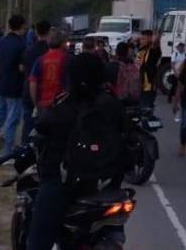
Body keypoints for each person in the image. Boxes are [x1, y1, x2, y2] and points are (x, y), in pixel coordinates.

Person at [27, 52, 131, 250]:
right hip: (105, 186)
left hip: (65, 186)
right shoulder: (113, 104)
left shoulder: (64, 106)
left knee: (38, 241)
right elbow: (128, 134)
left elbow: (41, 128)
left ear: (71, 76)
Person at [0, 14, 27, 158]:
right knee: (12, 120)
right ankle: (6, 152)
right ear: (22, 26)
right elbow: (22, 67)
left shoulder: (1, 41)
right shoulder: (22, 45)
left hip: (1, 85)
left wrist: (3, 68)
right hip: (15, 87)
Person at [19, 20, 52, 144]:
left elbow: (21, 68)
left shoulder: (29, 50)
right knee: (45, 127)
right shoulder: (50, 52)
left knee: (27, 124)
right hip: (46, 94)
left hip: (28, 92)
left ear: (36, 32)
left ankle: (24, 151)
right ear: (49, 32)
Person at [29, 30, 71, 112]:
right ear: (62, 43)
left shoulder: (40, 60)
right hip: (62, 103)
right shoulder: (67, 59)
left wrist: (35, 104)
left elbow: (33, 83)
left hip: (44, 103)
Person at [135, 29, 161, 114]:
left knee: (146, 110)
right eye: (141, 39)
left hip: (148, 86)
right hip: (139, 85)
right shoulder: (141, 49)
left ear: (150, 39)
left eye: (143, 39)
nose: (141, 41)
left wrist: (156, 37)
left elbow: (155, 42)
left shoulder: (153, 50)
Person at [168, 40, 186, 122]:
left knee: (183, 95)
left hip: (183, 77)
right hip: (175, 76)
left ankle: (183, 114)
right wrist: (176, 73)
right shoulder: (175, 54)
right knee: (175, 95)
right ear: (176, 47)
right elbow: (172, 64)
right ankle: (176, 113)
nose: (181, 47)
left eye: (182, 45)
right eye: (179, 46)